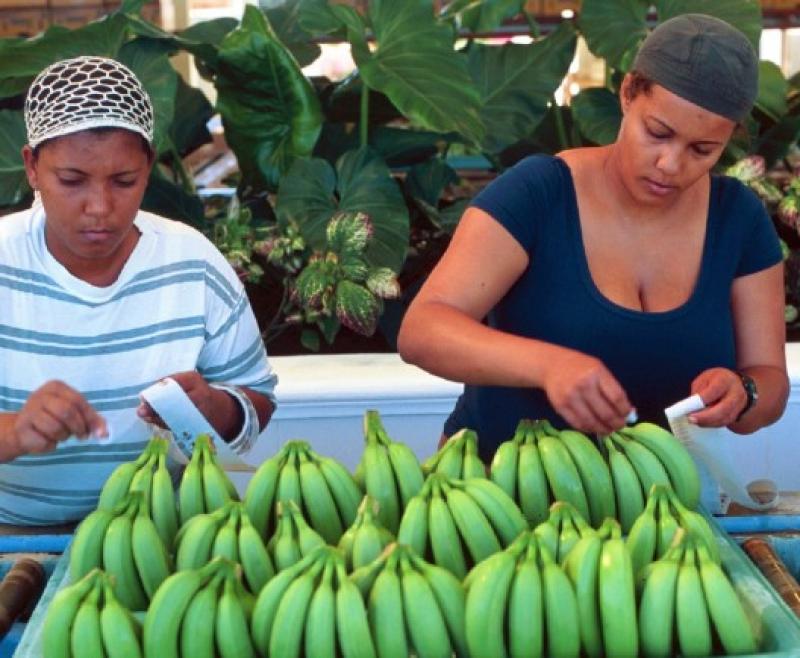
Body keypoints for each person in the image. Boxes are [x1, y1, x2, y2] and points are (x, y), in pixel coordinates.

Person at [398, 14, 789, 463]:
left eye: (703, 150)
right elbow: (422, 330)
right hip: (493, 499)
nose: (670, 164)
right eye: (657, 133)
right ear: (626, 94)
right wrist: (550, 366)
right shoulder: (539, 193)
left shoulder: (737, 217)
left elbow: (770, 381)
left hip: (660, 512)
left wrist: (745, 393)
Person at [0, 56, 277, 526]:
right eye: (71, 181)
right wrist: (13, 433)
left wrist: (217, 407)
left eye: (124, 181)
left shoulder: (193, 262)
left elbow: (256, 399)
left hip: (163, 530)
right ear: (31, 167)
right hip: (13, 537)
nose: (99, 207)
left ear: (148, 168)